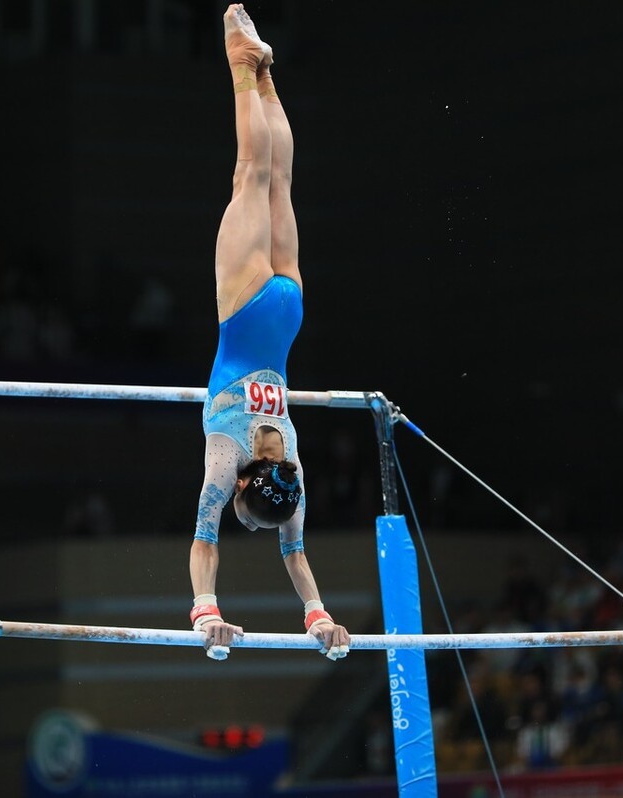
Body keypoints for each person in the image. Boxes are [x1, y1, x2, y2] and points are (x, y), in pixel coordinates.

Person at [188, 5, 350, 662]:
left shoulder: (294, 475)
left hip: (288, 315)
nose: (235, 515)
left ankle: (268, 75)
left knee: (281, 180)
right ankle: (240, 61)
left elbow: (298, 557)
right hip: (247, 312)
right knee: (250, 174)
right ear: (245, 489)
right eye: (242, 511)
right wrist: (206, 613)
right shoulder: (226, 461)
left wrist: (321, 620)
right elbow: (205, 541)